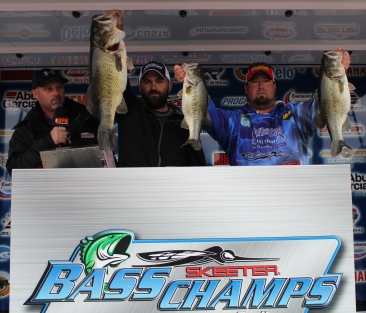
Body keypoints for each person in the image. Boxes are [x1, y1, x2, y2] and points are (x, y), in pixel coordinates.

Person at [174, 49, 351, 166]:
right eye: (254, 81)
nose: (260, 86)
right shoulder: (233, 121)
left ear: (274, 87)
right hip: (249, 202)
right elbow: (203, 111)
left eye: (266, 81)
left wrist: (337, 73)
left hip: (294, 200)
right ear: (246, 88)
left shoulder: (295, 115)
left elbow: (327, 102)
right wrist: (191, 86)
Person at [6, 68, 99, 176]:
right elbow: (14, 169)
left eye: (59, 87)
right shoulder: (27, 128)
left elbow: (108, 159)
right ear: (35, 94)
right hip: (46, 190)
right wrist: (47, 141)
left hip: (86, 188)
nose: (56, 93)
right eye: (48, 89)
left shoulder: (85, 118)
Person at [117, 61, 206, 167]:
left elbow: (196, 165)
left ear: (169, 86)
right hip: (134, 182)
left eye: (159, 81)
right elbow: (117, 80)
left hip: (171, 183)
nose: (153, 87)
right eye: (147, 82)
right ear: (140, 87)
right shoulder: (130, 110)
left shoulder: (183, 121)